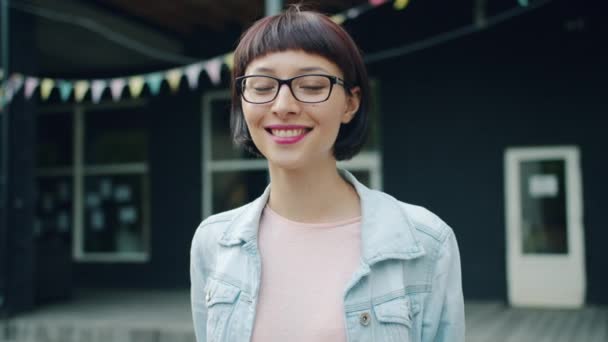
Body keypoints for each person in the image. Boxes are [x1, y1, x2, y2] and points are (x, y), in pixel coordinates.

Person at [190, 5, 464, 342]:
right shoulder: (213, 242)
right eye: (261, 87)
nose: (283, 105)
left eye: (311, 85)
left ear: (350, 103)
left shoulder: (426, 243)